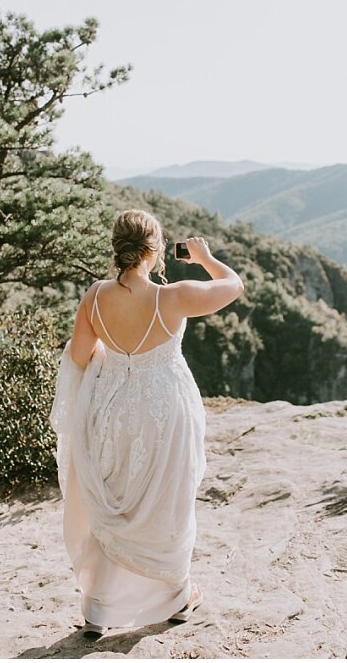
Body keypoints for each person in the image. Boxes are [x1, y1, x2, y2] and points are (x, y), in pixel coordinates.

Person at [51, 209, 244, 638]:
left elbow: (80, 357)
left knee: (116, 498)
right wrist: (206, 257)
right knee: (167, 502)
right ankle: (176, 600)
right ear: (154, 251)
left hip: (112, 410)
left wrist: (117, 364)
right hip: (164, 413)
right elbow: (233, 286)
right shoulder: (172, 297)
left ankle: (98, 611)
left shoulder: (95, 296)